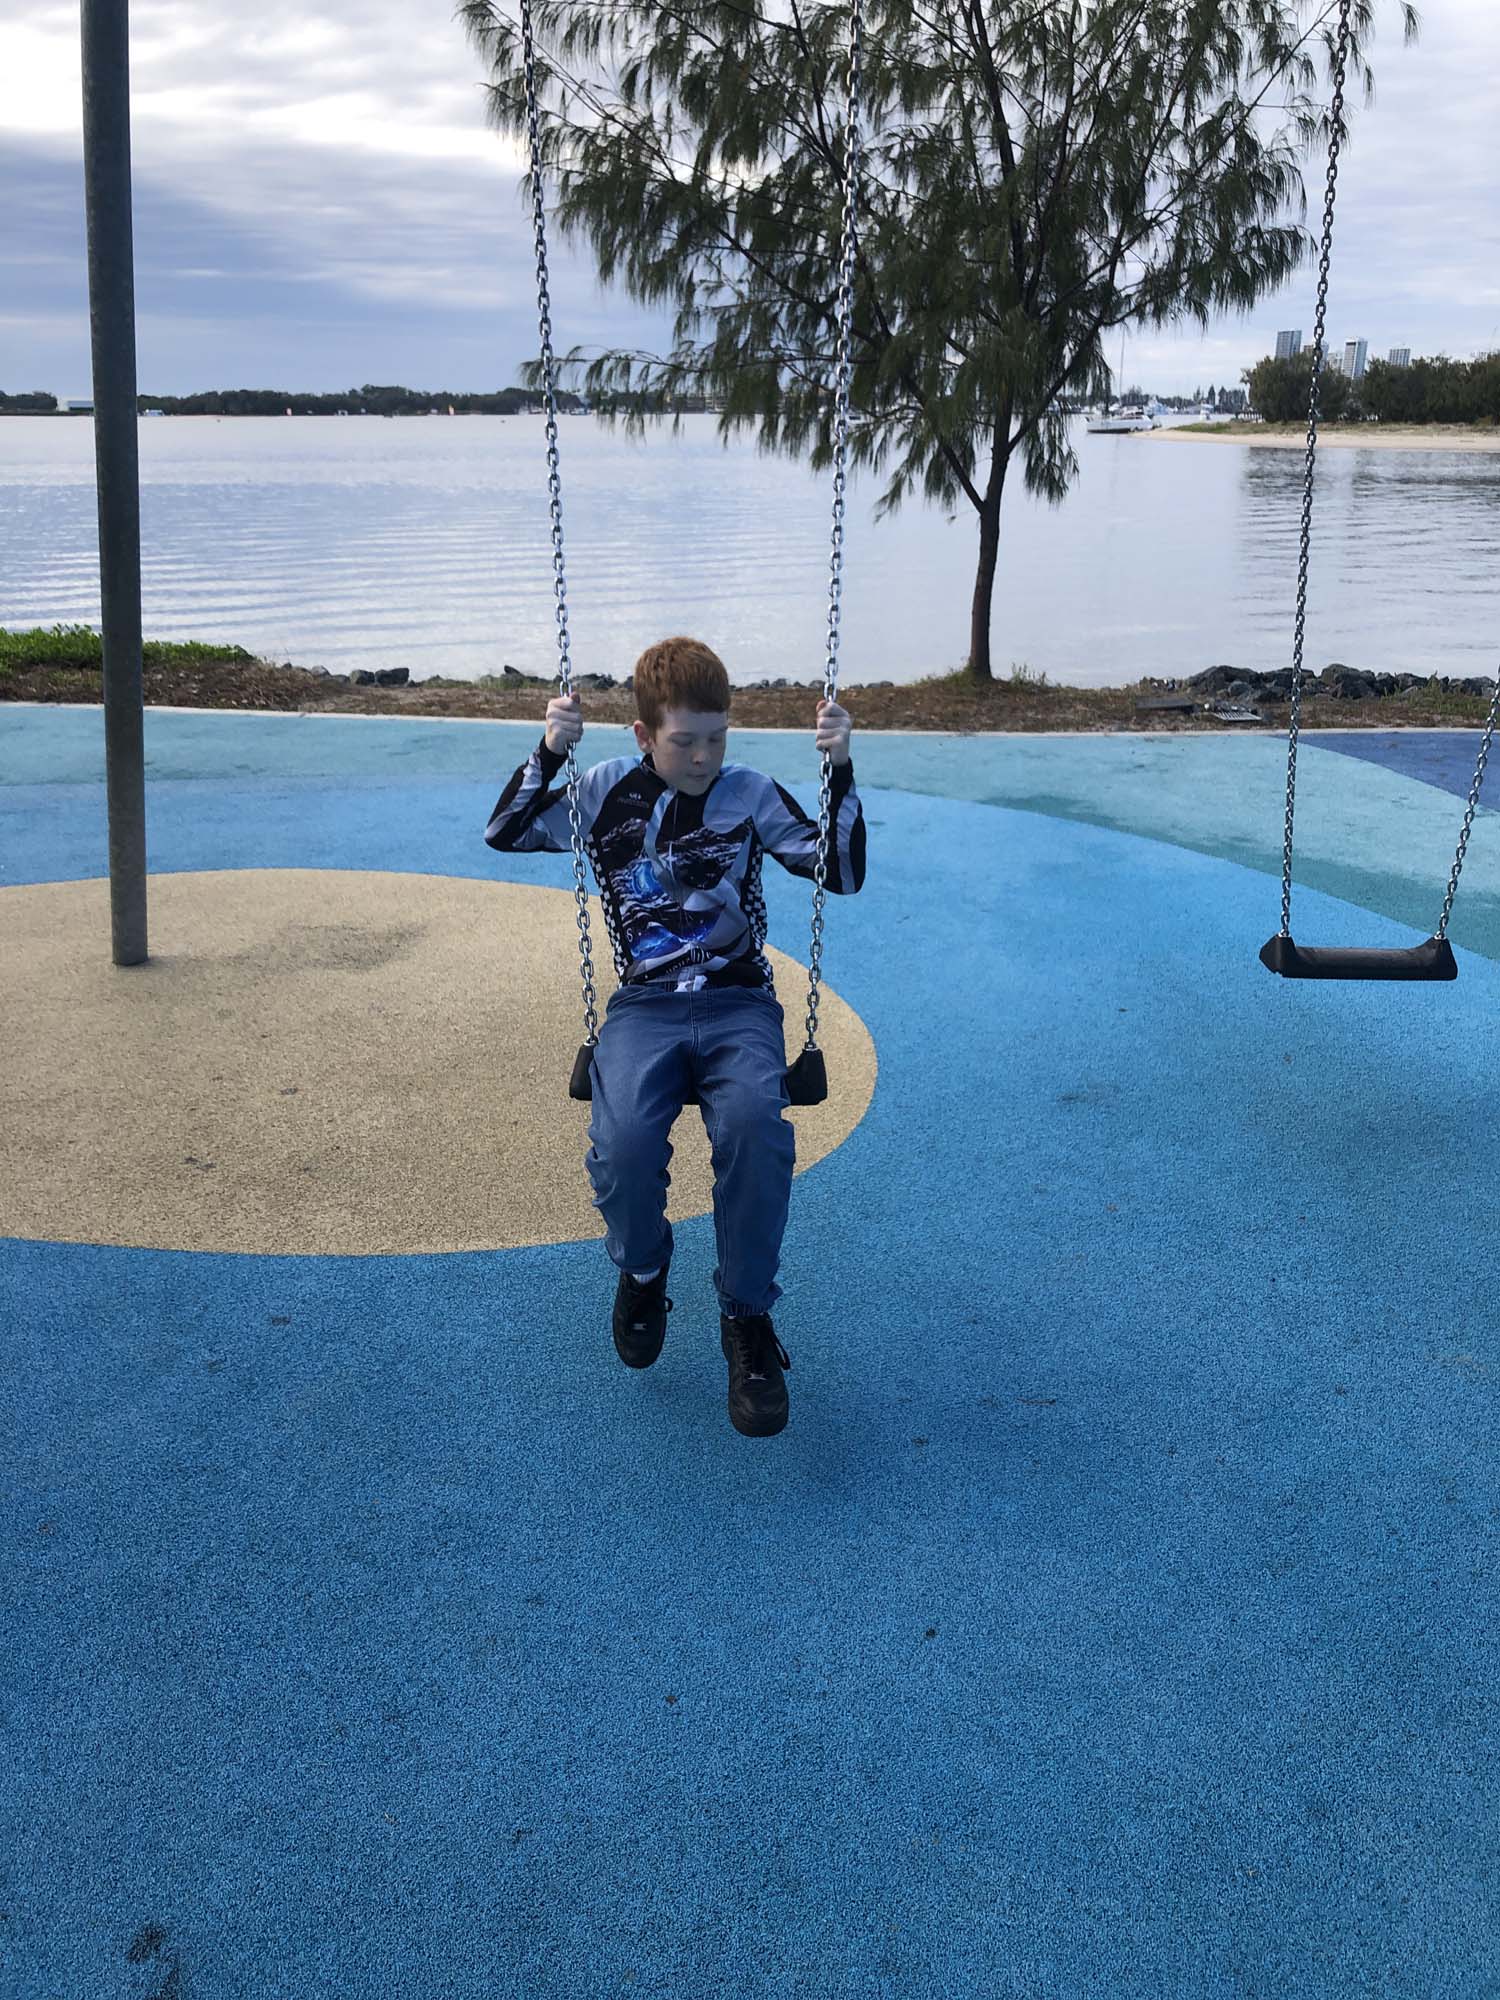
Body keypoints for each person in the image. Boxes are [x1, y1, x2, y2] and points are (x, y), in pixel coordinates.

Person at [484, 635, 865, 1437]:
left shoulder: (750, 793)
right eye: (684, 740)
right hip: (646, 1007)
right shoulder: (601, 791)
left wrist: (840, 766)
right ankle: (644, 1271)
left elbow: (842, 872)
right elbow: (506, 830)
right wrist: (550, 750)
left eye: (716, 738)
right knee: (621, 1145)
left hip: (739, 1005)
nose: (702, 757)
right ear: (643, 734)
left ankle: (747, 1317)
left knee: (757, 1131)